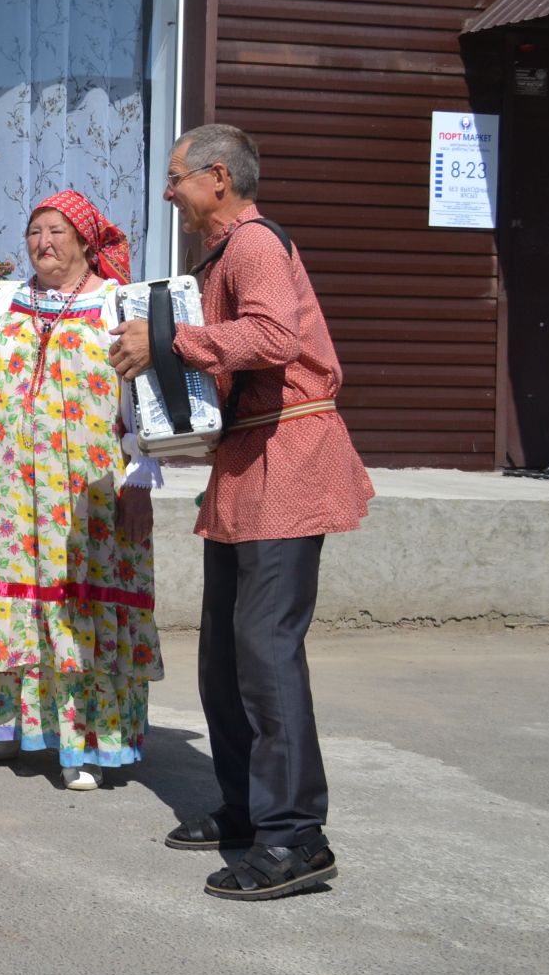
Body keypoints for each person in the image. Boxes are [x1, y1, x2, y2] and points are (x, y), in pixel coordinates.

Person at [109, 124, 372, 901]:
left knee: (263, 651)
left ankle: (296, 838)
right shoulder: (222, 254)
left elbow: (271, 335)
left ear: (218, 179)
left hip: (289, 459)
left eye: (177, 177)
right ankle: (247, 815)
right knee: (225, 656)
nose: (168, 191)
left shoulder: (253, 243)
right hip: (249, 464)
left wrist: (169, 338)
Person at [0, 192, 163, 790]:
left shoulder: (114, 305)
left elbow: (142, 403)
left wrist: (138, 478)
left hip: (86, 492)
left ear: (87, 242)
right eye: (36, 231)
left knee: (77, 607)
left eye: (58, 231)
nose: (44, 242)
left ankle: (83, 745)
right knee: (10, 603)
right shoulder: (5, 299)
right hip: (9, 488)